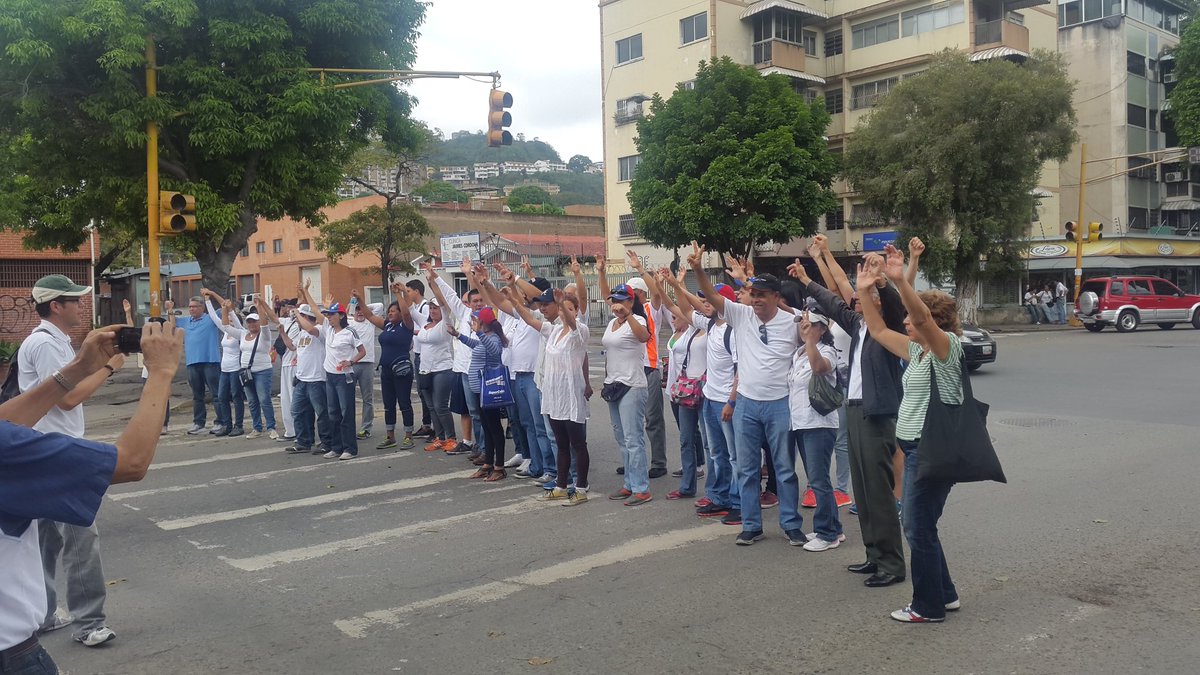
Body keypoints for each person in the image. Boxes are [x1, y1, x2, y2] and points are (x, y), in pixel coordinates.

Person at [1, 319, 181, 673]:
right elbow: (130, 463)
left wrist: (81, 367)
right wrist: (160, 372)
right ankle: (88, 622)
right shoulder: (8, 451)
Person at [857, 241, 965, 624]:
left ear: (931, 322)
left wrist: (902, 281)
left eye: (912, 318)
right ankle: (945, 594)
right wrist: (863, 289)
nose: (905, 321)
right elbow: (876, 328)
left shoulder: (946, 347)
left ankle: (927, 606)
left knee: (916, 528)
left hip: (932, 451)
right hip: (917, 448)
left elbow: (918, 318)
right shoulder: (918, 351)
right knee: (923, 527)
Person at [16, 275, 124, 650]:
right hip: (57, 452)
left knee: (46, 540)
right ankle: (89, 622)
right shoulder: (45, 344)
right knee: (81, 537)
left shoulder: (51, 341)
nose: (81, 306)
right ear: (55, 306)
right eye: (74, 301)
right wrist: (109, 368)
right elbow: (68, 398)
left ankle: (46, 614)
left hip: (44, 448)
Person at [793, 236, 908, 588]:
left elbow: (893, 305)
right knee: (863, 489)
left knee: (879, 491)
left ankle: (891, 563)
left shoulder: (887, 331)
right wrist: (804, 280)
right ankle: (874, 555)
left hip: (876, 415)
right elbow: (832, 299)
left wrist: (883, 282)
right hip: (855, 410)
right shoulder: (858, 327)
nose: (855, 300)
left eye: (864, 296)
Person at [690, 244, 805, 546]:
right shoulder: (741, 315)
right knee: (747, 468)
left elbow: (819, 327)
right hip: (747, 405)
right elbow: (712, 296)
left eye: (761, 295)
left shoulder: (793, 321)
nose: (755, 300)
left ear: (777, 298)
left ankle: (791, 524)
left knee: (784, 469)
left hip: (781, 404)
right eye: (752, 294)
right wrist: (699, 270)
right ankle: (752, 524)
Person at [508, 287, 591, 505]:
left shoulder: (580, 331)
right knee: (561, 444)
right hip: (554, 395)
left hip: (571, 394)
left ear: (576, 310)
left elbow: (573, 324)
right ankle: (561, 485)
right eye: (565, 309)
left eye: (571, 309)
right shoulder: (553, 331)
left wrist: (562, 302)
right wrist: (514, 301)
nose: (567, 312)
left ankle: (581, 488)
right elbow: (530, 320)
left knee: (577, 444)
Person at [598, 252, 670, 479]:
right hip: (622, 375)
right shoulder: (615, 319)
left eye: (631, 293)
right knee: (627, 429)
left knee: (652, 419)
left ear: (638, 295)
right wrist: (600, 272)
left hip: (648, 369)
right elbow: (606, 295)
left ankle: (658, 462)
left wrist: (641, 269)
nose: (621, 301)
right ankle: (632, 465)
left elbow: (657, 293)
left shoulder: (649, 311)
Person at [788, 311, 844, 552]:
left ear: (822, 328)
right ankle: (832, 527)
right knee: (816, 478)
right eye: (801, 323)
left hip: (819, 423)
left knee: (819, 480)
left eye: (809, 325)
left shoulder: (827, 351)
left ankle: (828, 533)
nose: (803, 327)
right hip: (800, 422)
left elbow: (820, 368)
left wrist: (811, 341)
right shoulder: (797, 354)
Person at [656, 268, 707, 501]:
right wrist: (665, 285)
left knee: (710, 444)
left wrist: (679, 284)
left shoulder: (712, 328)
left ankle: (718, 492)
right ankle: (687, 486)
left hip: (707, 393)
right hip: (686, 392)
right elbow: (670, 305)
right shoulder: (687, 328)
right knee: (686, 440)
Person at [425, 262, 485, 458]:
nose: (477, 304)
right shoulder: (465, 313)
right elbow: (450, 295)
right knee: (473, 412)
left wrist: (470, 275)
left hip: (481, 372)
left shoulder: (489, 316)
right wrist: (435, 278)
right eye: (473, 301)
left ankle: (485, 448)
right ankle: (478, 446)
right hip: (464, 371)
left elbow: (483, 292)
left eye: (480, 301)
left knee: (483, 414)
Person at [601, 283, 653, 505]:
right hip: (613, 383)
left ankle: (642, 488)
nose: (617, 304)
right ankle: (629, 484)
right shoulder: (612, 322)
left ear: (631, 302)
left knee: (633, 439)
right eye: (614, 300)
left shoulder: (638, 320)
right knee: (621, 438)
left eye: (622, 300)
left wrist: (629, 314)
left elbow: (644, 337)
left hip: (632, 384)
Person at [447, 306, 508, 481]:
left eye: (477, 320)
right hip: (479, 390)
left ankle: (499, 467)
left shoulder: (494, 338)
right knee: (487, 428)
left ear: (483, 322)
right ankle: (488, 463)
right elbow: (476, 345)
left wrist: (479, 333)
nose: (474, 322)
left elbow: (495, 351)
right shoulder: (485, 337)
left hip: (488, 391)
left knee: (495, 429)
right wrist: (458, 335)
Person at [356, 286, 416, 451]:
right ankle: (390, 436)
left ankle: (408, 436)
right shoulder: (388, 325)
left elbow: (406, 314)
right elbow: (369, 315)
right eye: (389, 311)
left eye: (393, 311)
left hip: (402, 370)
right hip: (387, 370)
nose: (390, 313)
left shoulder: (406, 326)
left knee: (404, 403)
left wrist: (398, 294)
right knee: (388, 404)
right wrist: (359, 298)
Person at [282, 281, 333, 456]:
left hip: (317, 379)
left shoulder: (320, 330)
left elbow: (311, 328)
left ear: (307, 317)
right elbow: (291, 346)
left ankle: (327, 442)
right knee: (297, 410)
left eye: (301, 316)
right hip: (302, 379)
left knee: (322, 412)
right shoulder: (302, 333)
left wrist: (299, 311)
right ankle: (303, 441)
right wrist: (282, 332)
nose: (297, 319)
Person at [312, 296, 366, 459]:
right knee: (332, 412)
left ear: (341, 315)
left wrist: (350, 361)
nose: (329, 317)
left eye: (332, 314)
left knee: (345, 412)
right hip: (330, 375)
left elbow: (362, 351)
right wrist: (306, 292)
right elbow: (316, 311)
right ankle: (336, 447)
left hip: (344, 377)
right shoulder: (328, 329)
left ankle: (350, 448)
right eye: (328, 314)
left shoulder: (350, 332)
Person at [223, 296, 280, 440]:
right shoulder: (243, 334)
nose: (251, 324)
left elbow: (265, 325)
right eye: (249, 322)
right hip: (246, 372)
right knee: (252, 401)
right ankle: (257, 428)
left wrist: (260, 306)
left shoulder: (264, 335)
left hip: (262, 371)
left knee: (264, 399)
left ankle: (271, 427)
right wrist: (225, 310)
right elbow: (226, 327)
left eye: (254, 321)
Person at [411, 296, 457, 452]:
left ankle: (451, 438)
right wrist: (402, 292)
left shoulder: (445, 323)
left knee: (440, 406)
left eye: (435, 308)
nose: (433, 311)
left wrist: (434, 282)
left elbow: (445, 307)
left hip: (442, 369)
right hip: (425, 370)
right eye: (431, 308)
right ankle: (440, 438)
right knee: (431, 407)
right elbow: (410, 310)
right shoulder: (425, 323)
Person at [201, 288, 247, 437]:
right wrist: (208, 299)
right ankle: (226, 424)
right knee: (222, 397)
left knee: (236, 396)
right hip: (225, 369)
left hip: (235, 369)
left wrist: (227, 308)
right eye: (229, 320)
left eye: (232, 319)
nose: (230, 321)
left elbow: (228, 309)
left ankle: (238, 425)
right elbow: (214, 316)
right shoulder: (226, 331)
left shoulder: (240, 331)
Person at [124, 296, 172, 434]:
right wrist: (128, 313)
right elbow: (131, 331)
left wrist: (170, 311)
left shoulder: (166, 341)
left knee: (163, 400)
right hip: (147, 374)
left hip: (162, 374)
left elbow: (172, 326)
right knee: (148, 401)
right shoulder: (145, 340)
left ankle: (164, 424)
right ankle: (151, 424)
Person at [181, 293, 222, 434]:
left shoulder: (211, 318)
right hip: (192, 362)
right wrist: (169, 310)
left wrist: (209, 296)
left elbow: (226, 307)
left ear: (202, 308)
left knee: (216, 393)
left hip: (210, 362)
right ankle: (199, 423)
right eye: (190, 307)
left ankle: (220, 421)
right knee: (197, 395)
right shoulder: (186, 321)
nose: (191, 309)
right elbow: (172, 324)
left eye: (194, 307)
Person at [405, 279, 436, 440]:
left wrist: (417, 333)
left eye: (409, 291)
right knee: (422, 392)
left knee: (428, 392)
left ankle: (432, 426)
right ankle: (426, 424)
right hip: (417, 353)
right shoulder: (417, 307)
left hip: (425, 354)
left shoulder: (425, 308)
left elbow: (426, 328)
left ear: (416, 291)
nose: (408, 294)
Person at [347, 296, 382, 439]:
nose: (360, 313)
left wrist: (362, 304)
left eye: (362, 310)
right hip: (352, 364)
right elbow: (347, 310)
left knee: (367, 398)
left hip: (367, 364)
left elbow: (379, 305)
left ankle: (366, 428)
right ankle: (348, 426)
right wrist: (352, 304)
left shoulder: (370, 322)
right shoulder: (349, 323)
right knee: (348, 398)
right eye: (357, 310)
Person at [276, 298, 300, 440]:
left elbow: (292, 346)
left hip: (296, 366)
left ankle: (301, 431)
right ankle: (290, 431)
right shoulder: (287, 322)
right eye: (288, 307)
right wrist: (261, 304)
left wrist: (303, 292)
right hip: (285, 364)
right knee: (285, 400)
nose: (290, 310)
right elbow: (272, 317)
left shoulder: (303, 325)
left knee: (295, 400)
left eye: (293, 307)